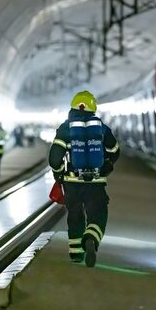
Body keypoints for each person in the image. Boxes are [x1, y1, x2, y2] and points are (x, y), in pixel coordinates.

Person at [48, 90, 120, 267]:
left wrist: (59, 172)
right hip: (96, 182)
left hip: (72, 182)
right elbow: (115, 151)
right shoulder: (101, 127)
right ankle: (91, 238)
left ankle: (75, 253)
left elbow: (54, 158)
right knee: (98, 214)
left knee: (75, 215)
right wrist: (108, 164)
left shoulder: (65, 128)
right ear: (93, 107)